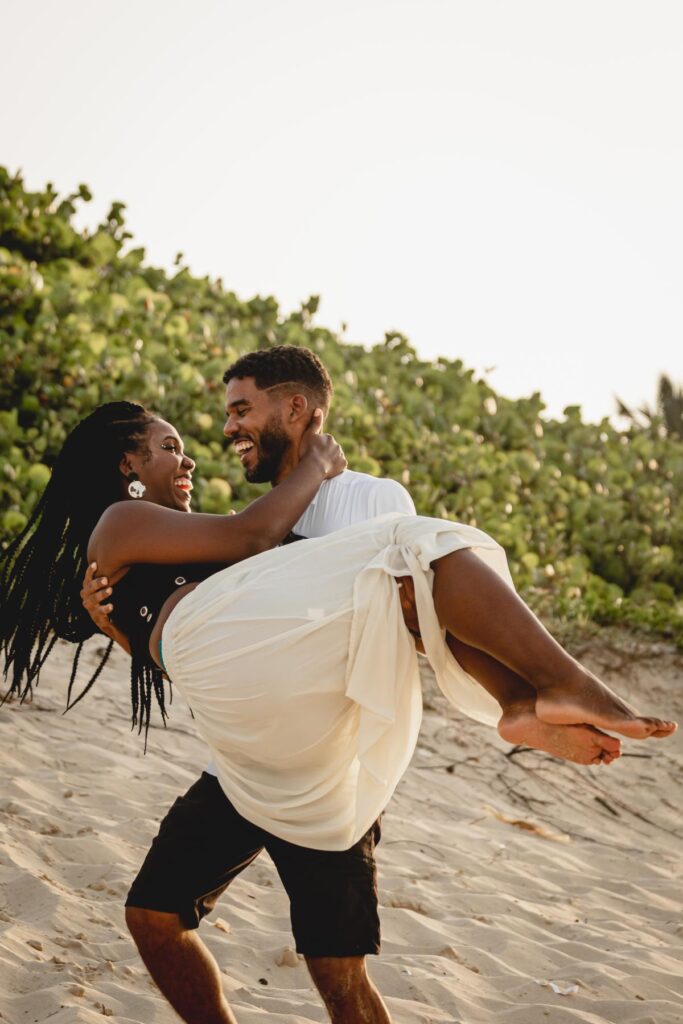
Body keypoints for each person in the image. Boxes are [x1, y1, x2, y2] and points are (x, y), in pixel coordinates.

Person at [1, 379, 675, 1024]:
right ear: (127, 463)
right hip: (246, 751)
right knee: (155, 918)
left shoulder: (214, 548)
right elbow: (246, 545)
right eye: (170, 445)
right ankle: (545, 688)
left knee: (409, 570)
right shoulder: (122, 524)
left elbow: (250, 595)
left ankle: (524, 701)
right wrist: (315, 463)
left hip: (301, 733)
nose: (189, 457)